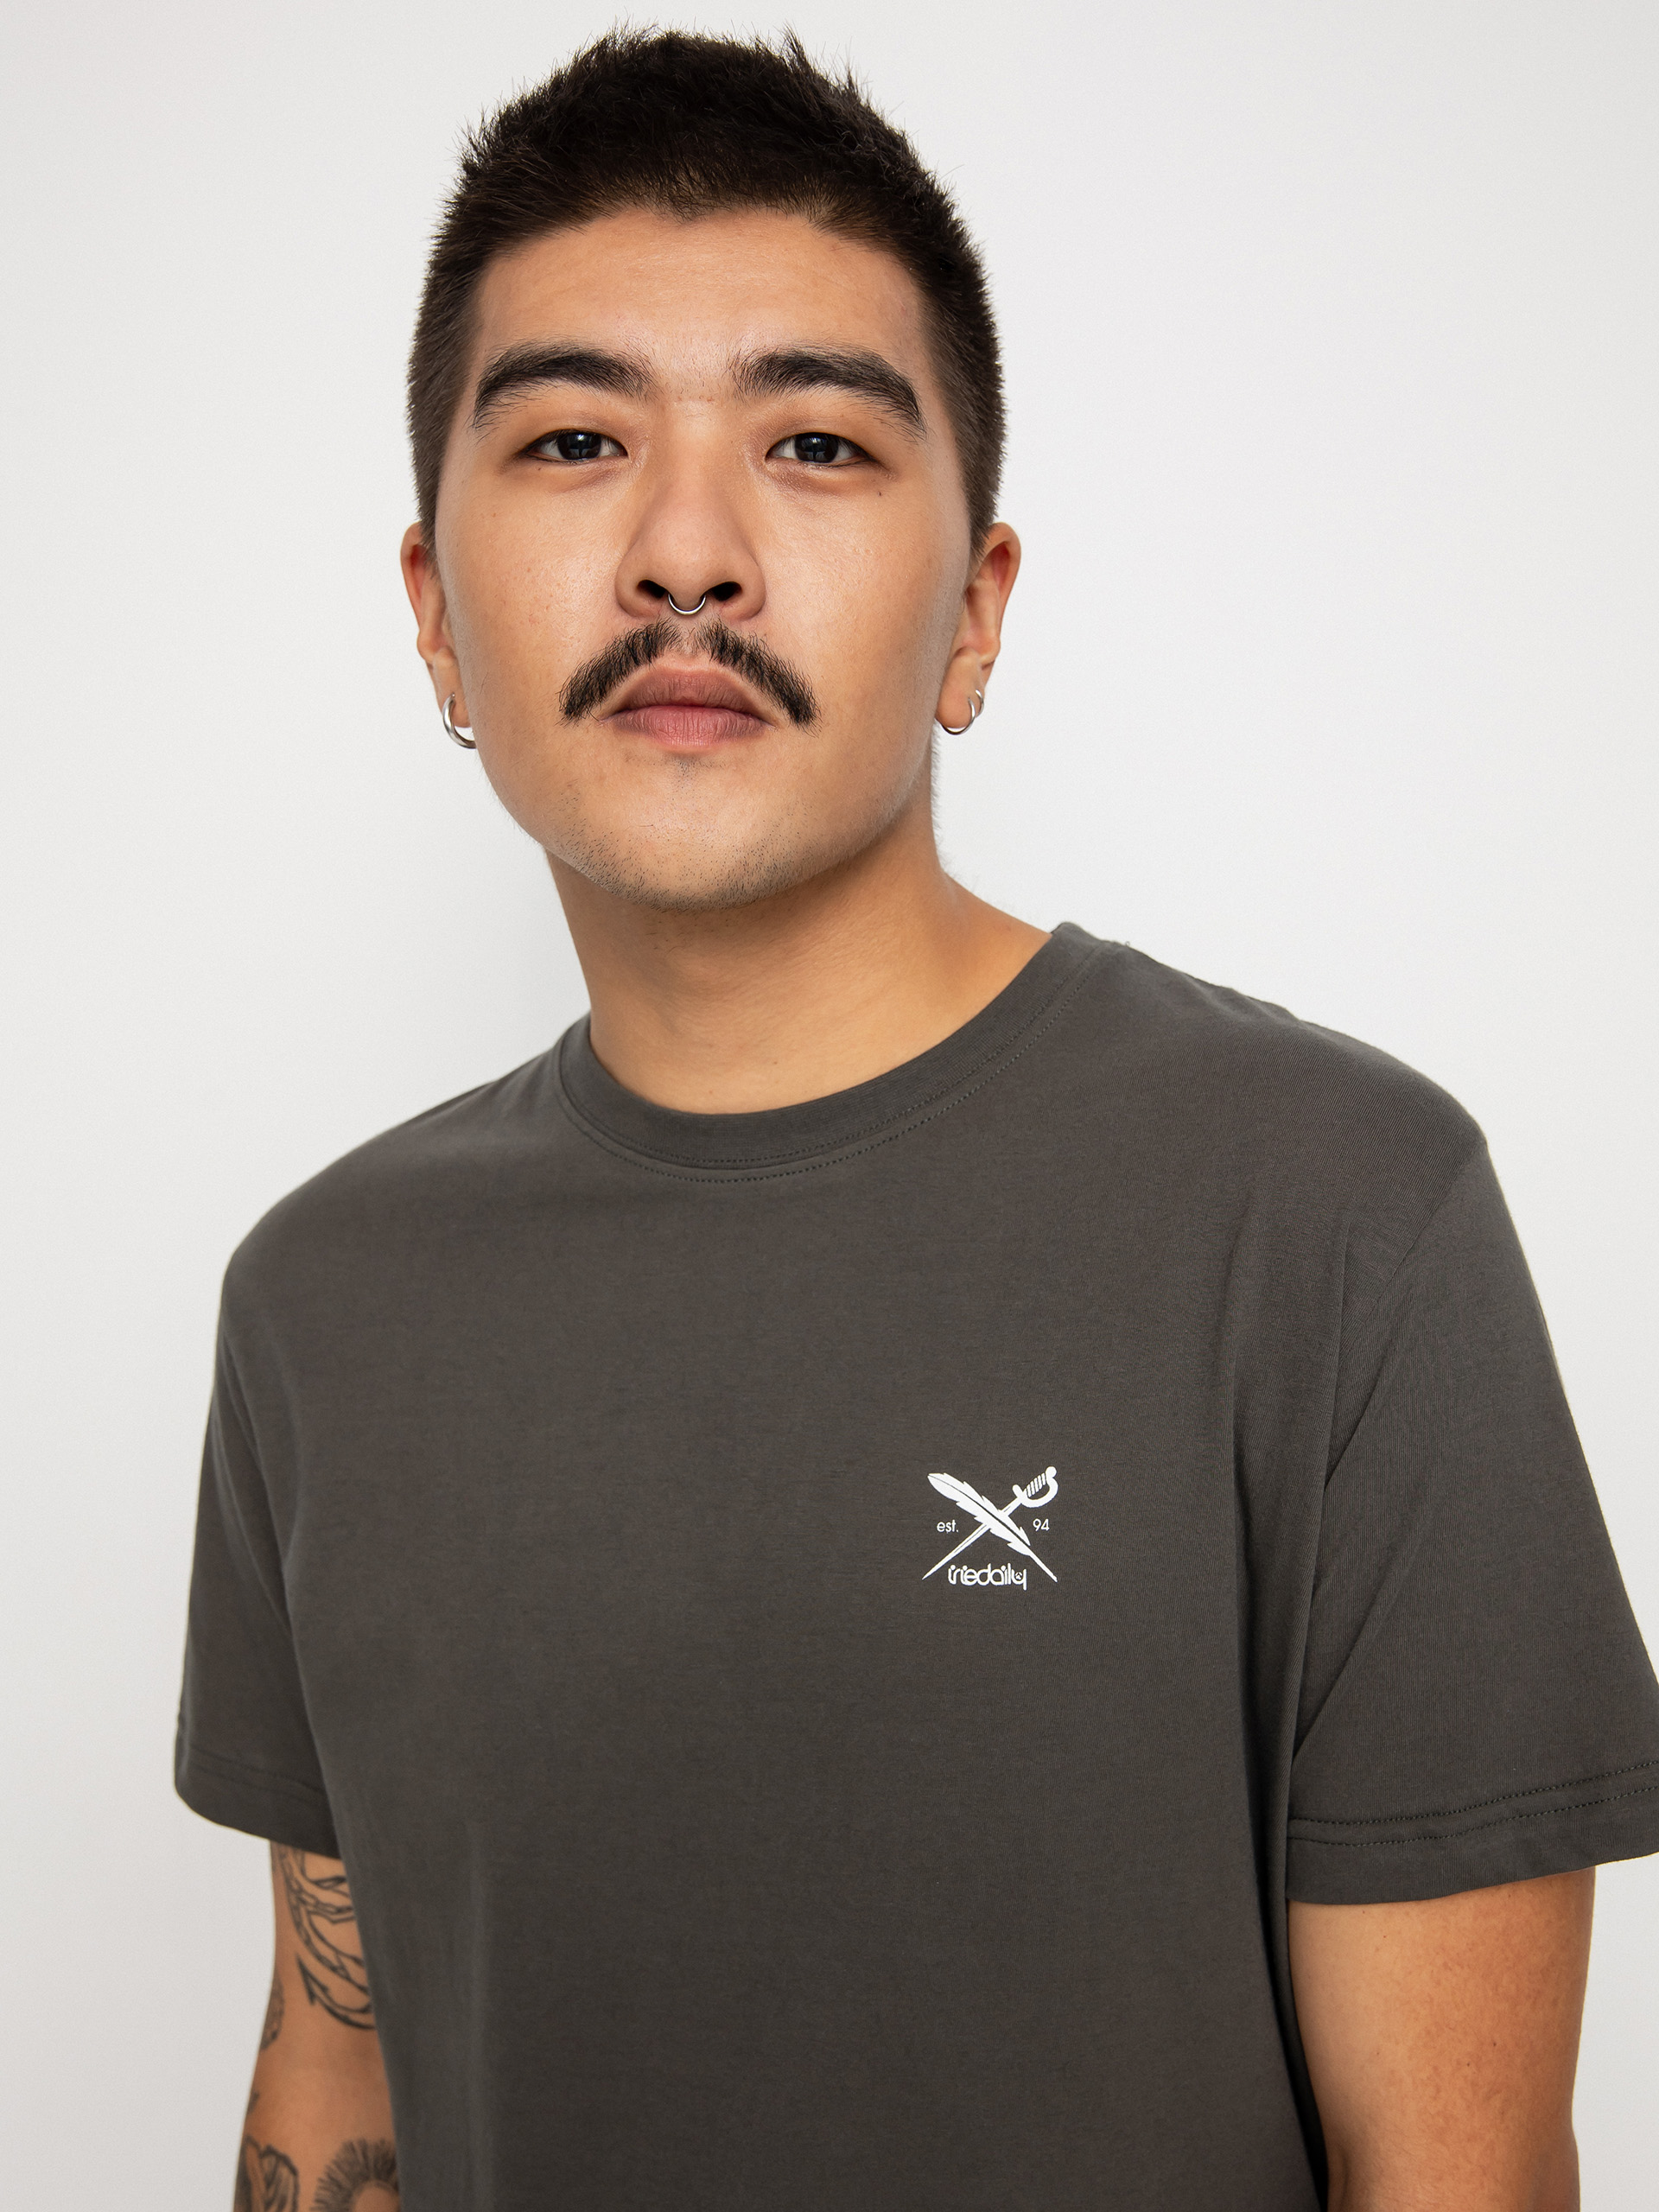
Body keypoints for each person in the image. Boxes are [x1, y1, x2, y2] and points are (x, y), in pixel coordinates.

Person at [175, 29, 1659, 2212]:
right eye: (577, 438)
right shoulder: (321, 1300)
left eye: (816, 443)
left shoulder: (1339, 1214)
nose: (690, 552)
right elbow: (337, 2060)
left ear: (974, 611)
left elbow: (1461, 2171)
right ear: (436, 619)